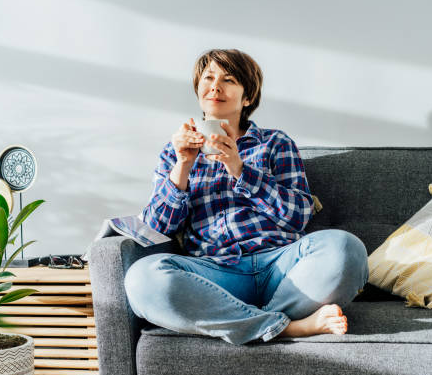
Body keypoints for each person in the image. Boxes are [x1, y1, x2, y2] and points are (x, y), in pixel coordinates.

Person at [124, 48, 368, 345]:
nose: (215, 86)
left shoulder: (275, 143)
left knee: (346, 248)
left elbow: (298, 216)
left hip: (282, 267)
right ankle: (287, 327)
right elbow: (157, 230)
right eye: (209, 78)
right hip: (214, 273)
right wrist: (183, 166)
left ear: (247, 97)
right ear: (199, 89)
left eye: (228, 79)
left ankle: (243, 323)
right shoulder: (173, 153)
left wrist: (239, 169)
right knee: (142, 278)